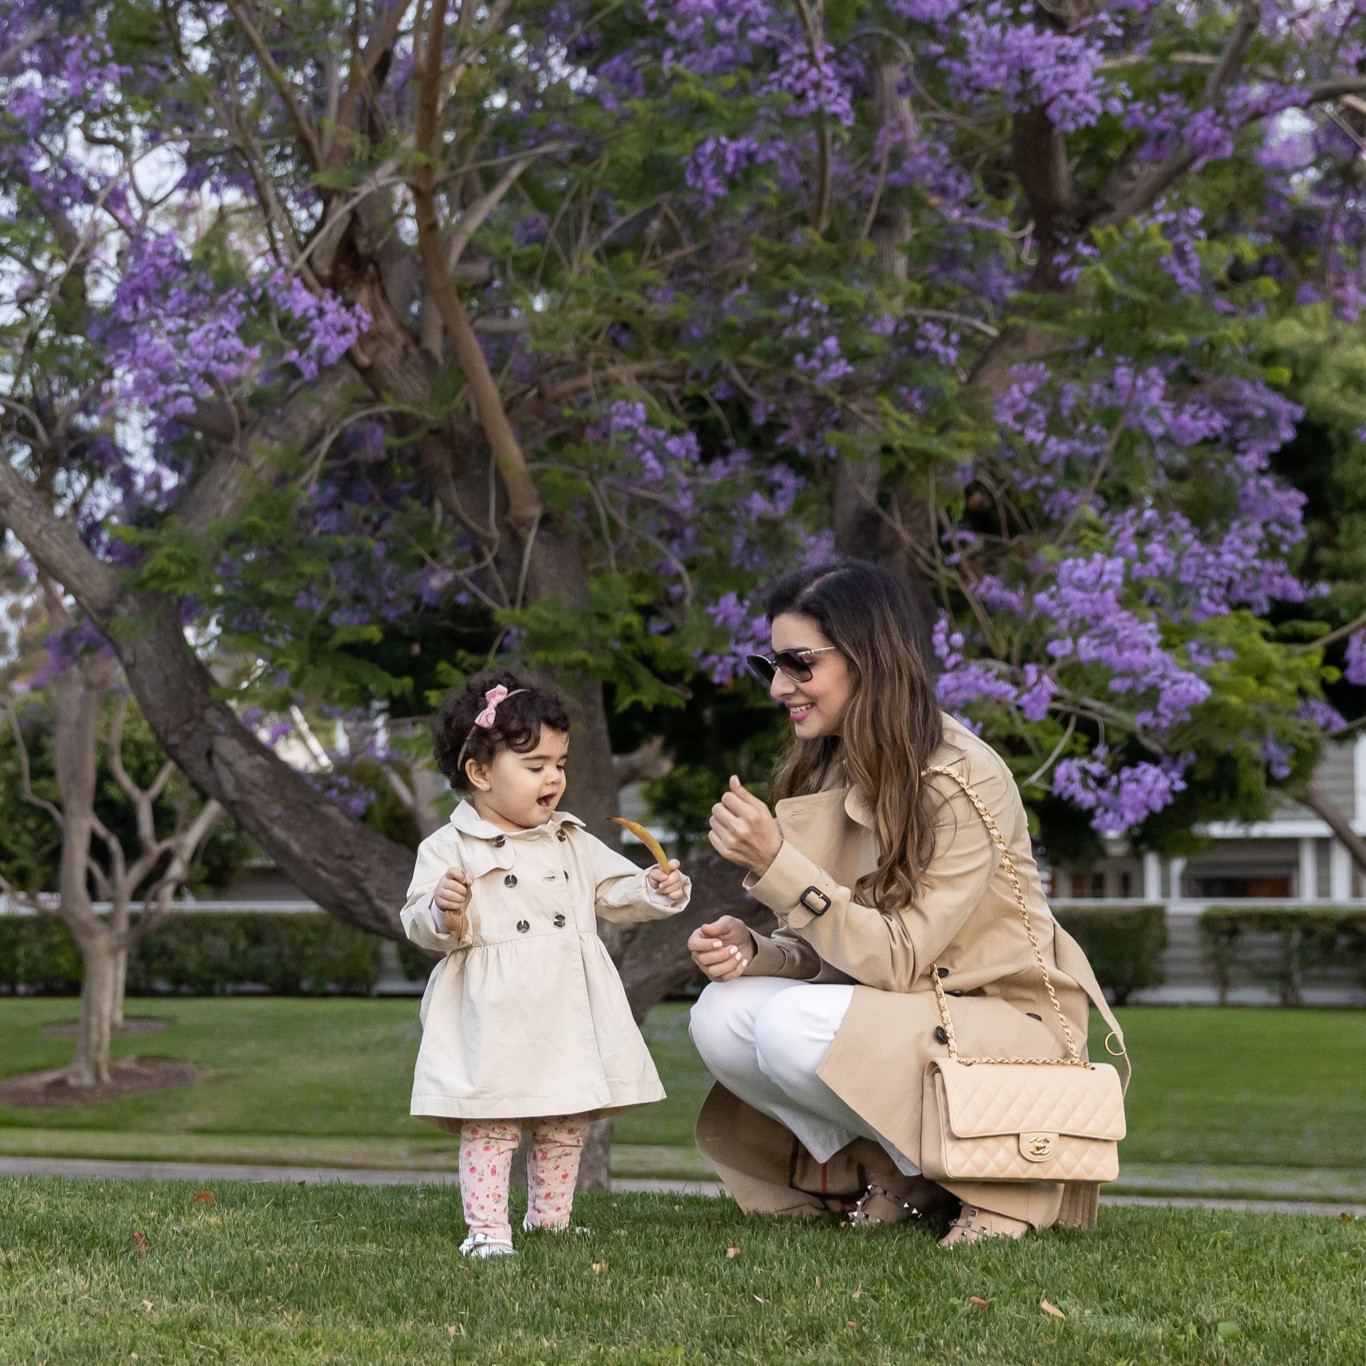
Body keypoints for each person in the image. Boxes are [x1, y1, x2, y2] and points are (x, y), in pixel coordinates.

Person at [686, 561, 1126, 1247]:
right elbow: (840, 949)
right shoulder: (829, 764)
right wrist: (760, 952)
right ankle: (905, 1172)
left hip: (1002, 1018)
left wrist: (777, 865)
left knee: (787, 1027)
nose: (778, 687)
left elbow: (898, 958)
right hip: (913, 1013)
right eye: (770, 665)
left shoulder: (958, 778)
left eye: (799, 664)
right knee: (723, 1014)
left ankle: (1002, 1186)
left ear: (869, 657)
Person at [402, 671, 690, 1258]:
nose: (554, 777)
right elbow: (418, 922)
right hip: (494, 1009)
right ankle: (487, 1229)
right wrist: (441, 907)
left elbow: (616, 889)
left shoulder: (570, 840)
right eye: (535, 766)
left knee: (565, 1115)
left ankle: (549, 1219)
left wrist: (655, 888)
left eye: (558, 763)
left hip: (563, 1002)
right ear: (480, 773)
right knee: (492, 1119)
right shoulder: (449, 847)